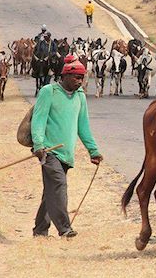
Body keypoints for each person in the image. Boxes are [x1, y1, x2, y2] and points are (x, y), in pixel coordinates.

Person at [31, 55, 103, 238]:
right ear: (64, 76)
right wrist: (39, 144)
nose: (80, 82)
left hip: (66, 153)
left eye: (82, 78)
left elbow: (83, 126)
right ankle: (64, 228)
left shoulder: (80, 96)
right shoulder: (49, 91)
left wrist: (93, 150)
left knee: (51, 193)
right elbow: (38, 120)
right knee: (59, 186)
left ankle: (40, 231)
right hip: (48, 151)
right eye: (76, 78)